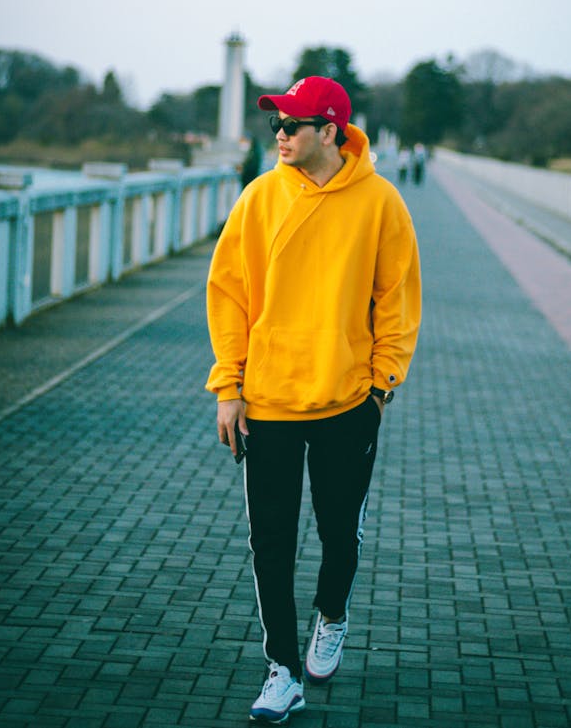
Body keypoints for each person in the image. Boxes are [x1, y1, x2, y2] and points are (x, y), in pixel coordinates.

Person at [205, 75, 422, 725]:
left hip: (346, 402)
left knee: (338, 534)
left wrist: (381, 387)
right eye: (277, 122)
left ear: (330, 131)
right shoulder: (259, 197)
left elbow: (398, 301)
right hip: (267, 402)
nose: (280, 133)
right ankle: (283, 668)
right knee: (270, 541)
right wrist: (228, 385)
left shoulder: (381, 203)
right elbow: (229, 293)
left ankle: (333, 612)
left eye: (293, 124)